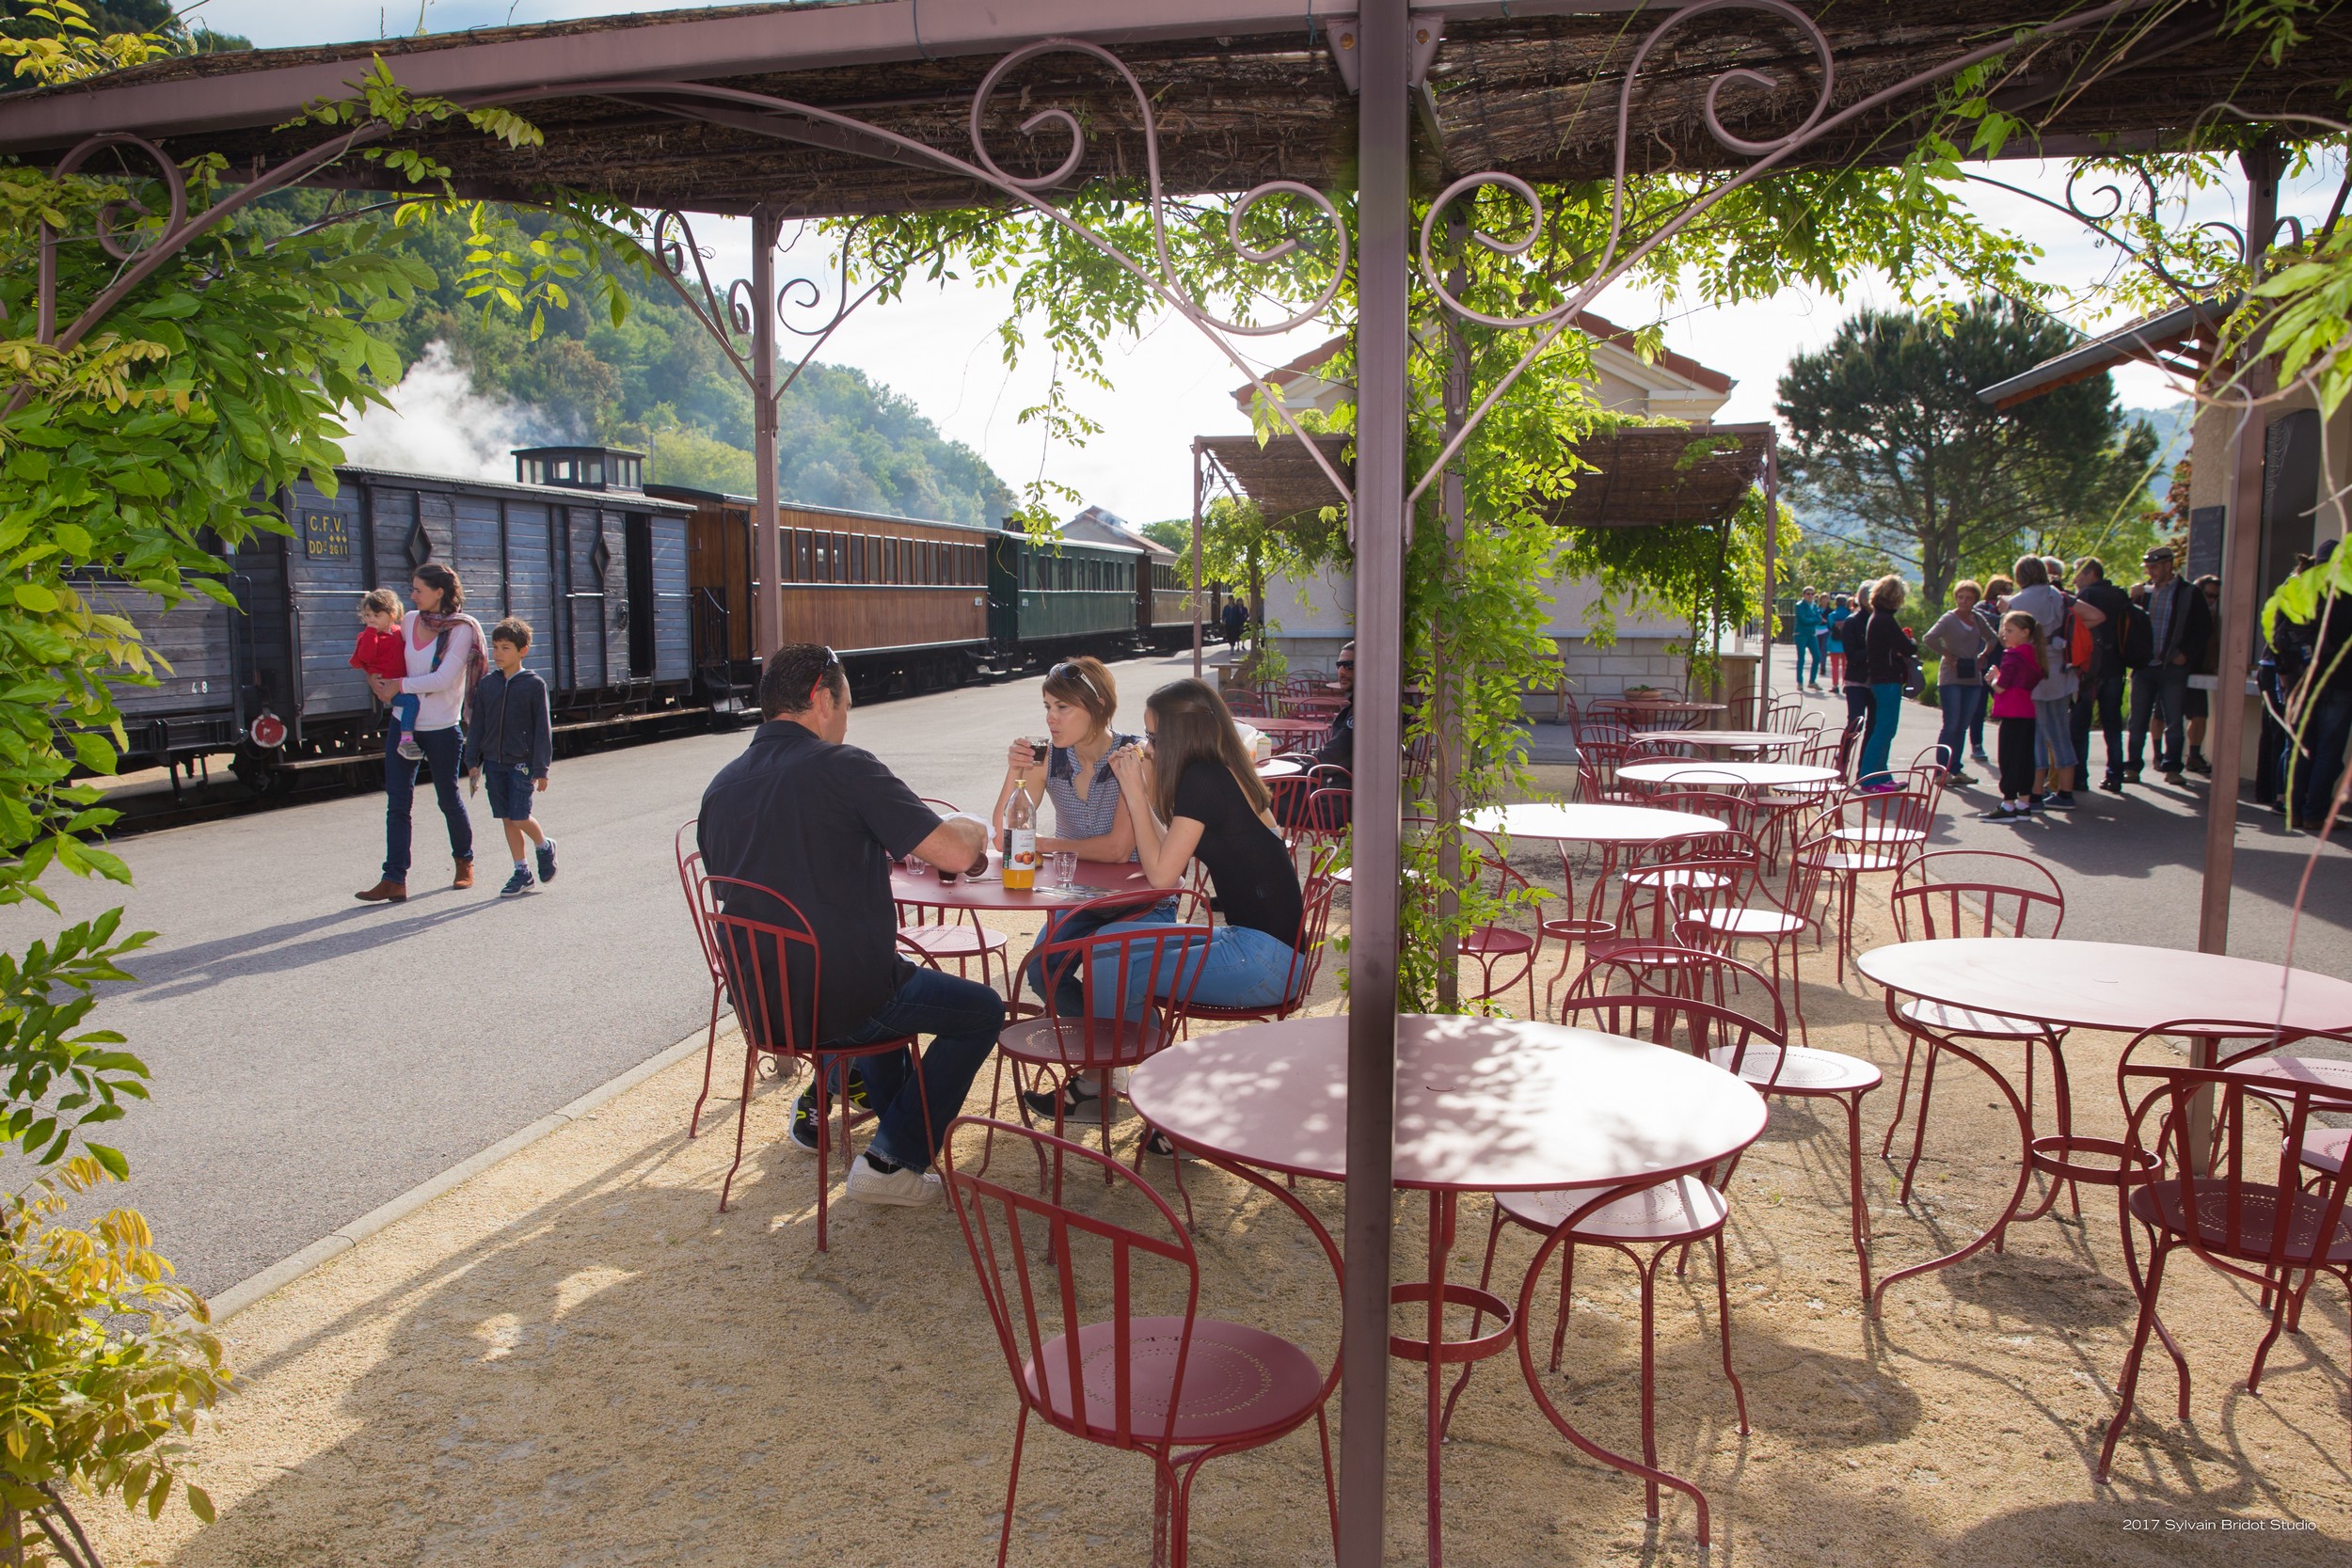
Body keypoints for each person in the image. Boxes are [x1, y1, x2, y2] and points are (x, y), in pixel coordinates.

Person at [697, 644, 1003, 1207]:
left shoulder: (721, 787)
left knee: (884, 981)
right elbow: (955, 856)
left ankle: (890, 1134)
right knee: (982, 1010)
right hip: (839, 999)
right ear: (821, 698)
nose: (844, 720)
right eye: (845, 705)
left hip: (762, 1004)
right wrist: (972, 827)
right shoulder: (843, 767)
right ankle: (894, 1158)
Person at [1102, 678, 1307, 1022]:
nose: (1148, 749)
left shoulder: (1203, 779)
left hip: (1266, 960)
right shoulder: (1220, 772)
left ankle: (1111, 1070)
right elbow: (1169, 848)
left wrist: (1134, 792)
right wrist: (1139, 796)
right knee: (1107, 943)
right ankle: (1121, 1063)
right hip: (1258, 945)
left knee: (1120, 972)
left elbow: (1163, 877)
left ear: (1181, 737)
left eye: (1153, 738)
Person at [356, 563, 485, 903]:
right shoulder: (411, 620)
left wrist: (399, 685)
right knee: (397, 803)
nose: (411, 596)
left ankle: (464, 862)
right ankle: (394, 878)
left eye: (417, 590)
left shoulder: (461, 629)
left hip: (442, 727)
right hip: (403, 723)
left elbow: (443, 679)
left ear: (439, 592)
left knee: (447, 798)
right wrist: (375, 681)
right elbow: (387, 659)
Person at [463, 617, 557, 897]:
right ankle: (522, 871)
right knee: (506, 817)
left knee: (519, 816)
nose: (498, 654)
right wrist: (472, 761)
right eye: (496, 647)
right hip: (494, 761)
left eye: (506, 648)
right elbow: (477, 724)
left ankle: (544, 846)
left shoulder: (533, 685)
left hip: (522, 762)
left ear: (522, 650)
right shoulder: (488, 685)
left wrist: (541, 767)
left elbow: (543, 729)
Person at [2280, 540, 2351, 832]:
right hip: (2341, 681)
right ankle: (2314, 814)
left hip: (2301, 681)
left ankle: (2293, 811)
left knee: (2298, 749)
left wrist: (2284, 674)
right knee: (2328, 751)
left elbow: (2278, 636)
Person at [2126, 545, 2212, 786]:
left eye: (2154, 566)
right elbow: (2127, 625)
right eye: (2148, 567)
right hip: (2144, 665)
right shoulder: (2144, 591)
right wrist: (2130, 600)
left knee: (2174, 719)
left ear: (2168, 565)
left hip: (2172, 665)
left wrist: (2186, 654)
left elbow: (2203, 628)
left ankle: (2173, 767)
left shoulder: (2189, 592)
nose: (2151, 571)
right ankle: (2133, 767)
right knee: (2137, 720)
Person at [2007, 554, 2087, 809]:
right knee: (2061, 733)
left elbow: (2007, 638)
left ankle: (2035, 794)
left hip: (2034, 673)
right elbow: (2094, 616)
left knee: (2036, 736)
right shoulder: (2059, 596)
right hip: (2061, 671)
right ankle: (2065, 793)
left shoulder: (2018, 602)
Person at [2070, 556, 2135, 792]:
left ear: (2090, 574)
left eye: (2078, 573)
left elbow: (2076, 630)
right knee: (2112, 725)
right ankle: (2115, 775)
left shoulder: (2087, 597)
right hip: (2116, 666)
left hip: (2090, 670)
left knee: (2080, 725)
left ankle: (2078, 777)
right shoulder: (2120, 595)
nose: (2075, 579)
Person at [1919, 579, 1988, 784]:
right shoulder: (1949, 618)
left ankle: (1955, 769)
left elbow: (1993, 638)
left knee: (1962, 725)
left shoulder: (1977, 618)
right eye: (1960, 597)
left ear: (1975, 599)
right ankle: (1941, 771)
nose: (1964, 601)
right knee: (1951, 724)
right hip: (1951, 676)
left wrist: (1984, 654)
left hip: (1972, 676)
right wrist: (1948, 655)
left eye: (1968, 598)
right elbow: (1929, 638)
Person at [1983, 610, 2047, 821]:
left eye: (2009, 630)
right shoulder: (2034, 654)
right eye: (2004, 630)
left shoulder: (2012, 655)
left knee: (2009, 758)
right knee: (2025, 758)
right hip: (2028, 712)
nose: (2004, 634)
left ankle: (2008, 804)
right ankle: (2024, 803)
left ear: (2024, 632)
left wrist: (1994, 677)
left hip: (2012, 713)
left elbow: (2001, 688)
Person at [1857, 576, 1916, 789]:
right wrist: (1910, 643)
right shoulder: (1885, 620)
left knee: (1884, 728)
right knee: (1884, 729)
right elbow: (1908, 648)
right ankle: (1870, 778)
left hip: (1878, 678)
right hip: (1886, 679)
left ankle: (1881, 776)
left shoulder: (1876, 617)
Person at [351, 589, 422, 762]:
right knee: (411, 702)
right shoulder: (367, 636)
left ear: (391, 615)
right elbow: (365, 657)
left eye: (376, 615)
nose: (371, 620)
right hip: (388, 686)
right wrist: (370, 633)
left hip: (400, 682)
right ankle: (406, 739)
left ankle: (417, 740)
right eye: (368, 615)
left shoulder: (398, 632)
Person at [2184, 572, 2222, 774]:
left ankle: (2194, 755)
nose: (2211, 600)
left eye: (2215, 597)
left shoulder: (2212, 616)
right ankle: (2159, 757)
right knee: (2164, 715)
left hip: (2200, 671)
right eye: (2208, 595)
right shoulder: (2183, 612)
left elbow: (2212, 644)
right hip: (2177, 669)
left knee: (2199, 716)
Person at [1791, 588, 1825, 691]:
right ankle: (1800, 682)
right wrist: (1813, 620)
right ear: (1803, 595)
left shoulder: (1814, 606)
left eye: (1812, 594)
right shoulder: (1799, 605)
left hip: (1811, 634)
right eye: (1808, 594)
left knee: (1817, 656)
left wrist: (1812, 620)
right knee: (1801, 658)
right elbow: (1803, 619)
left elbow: (1819, 619)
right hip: (1801, 634)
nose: (1810, 596)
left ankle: (1812, 681)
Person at [1824, 593, 1853, 689]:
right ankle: (1845, 684)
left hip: (1834, 642)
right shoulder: (1849, 614)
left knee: (1835, 665)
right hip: (1846, 642)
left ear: (1835, 603)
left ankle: (1835, 685)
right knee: (1845, 665)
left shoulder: (1832, 615)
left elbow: (1829, 627)